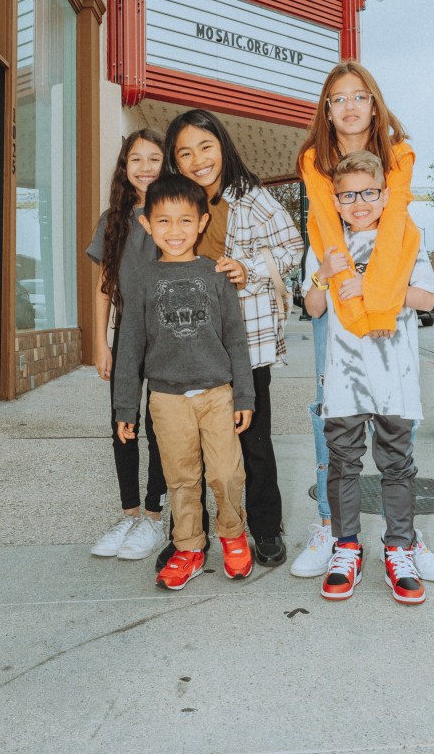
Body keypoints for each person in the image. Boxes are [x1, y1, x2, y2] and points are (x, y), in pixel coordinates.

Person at [292, 60, 434, 582]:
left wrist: (380, 294)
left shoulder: (395, 160)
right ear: (326, 109)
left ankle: (403, 538)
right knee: (336, 428)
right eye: (338, 98)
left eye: (360, 96)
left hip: (390, 326)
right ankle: (336, 532)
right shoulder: (317, 164)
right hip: (337, 310)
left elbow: (421, 289)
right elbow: (315, 290)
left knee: (395, 444)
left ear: (375, 104)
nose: (350, 106)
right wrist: (326, 277)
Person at [162, 109, 304, 569]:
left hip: (246, 341)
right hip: (187, 345)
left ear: (222, 145)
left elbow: (293, 247)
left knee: (253, 442)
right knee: (186, 448)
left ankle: (265, 527)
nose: (198, 159)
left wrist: (251, 269)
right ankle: (188, 536)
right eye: (185, 152)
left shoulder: (252, 197)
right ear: (175, 160)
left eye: (205, 147)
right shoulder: (176, 201)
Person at [113, 174, 255, 591]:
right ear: (147, 224)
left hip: (217, 393)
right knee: (181, 478)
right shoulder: (142, 279)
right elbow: (130, 348)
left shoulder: (216, 274)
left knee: (226, 473)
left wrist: (244, 395)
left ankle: (232, 534)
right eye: (164, 221)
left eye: (185, 220)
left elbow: (236, 339)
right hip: (166, 398)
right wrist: (125, 406)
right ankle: (189, 546)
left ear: (202, 222)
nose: (174, 231)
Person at [86, 129, 169, 560]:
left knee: (160, 424)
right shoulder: (112, 219)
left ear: (165, 164)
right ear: (125, 166)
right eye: (136, 159)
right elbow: (104, 287)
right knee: (123, 421)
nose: (145, 167)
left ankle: (154, 516)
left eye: (154, 158)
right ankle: (129, 513)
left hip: (170, 333)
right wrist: (102, 343)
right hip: (128, 333)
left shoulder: (175, 212)